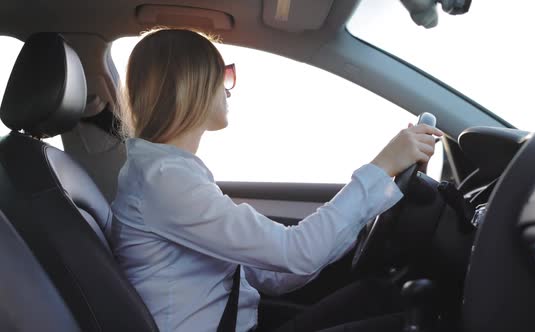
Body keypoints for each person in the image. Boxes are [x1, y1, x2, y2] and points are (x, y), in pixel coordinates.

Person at [110, 28, 443, 332]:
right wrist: (381, 167)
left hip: (240, 322)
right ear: (190, 84)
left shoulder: (168, 174)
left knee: (378, 296)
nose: (230, 86)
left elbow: (275, 275)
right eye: (224, 74)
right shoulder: (165, 180)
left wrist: (360, 219)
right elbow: (296, 253)